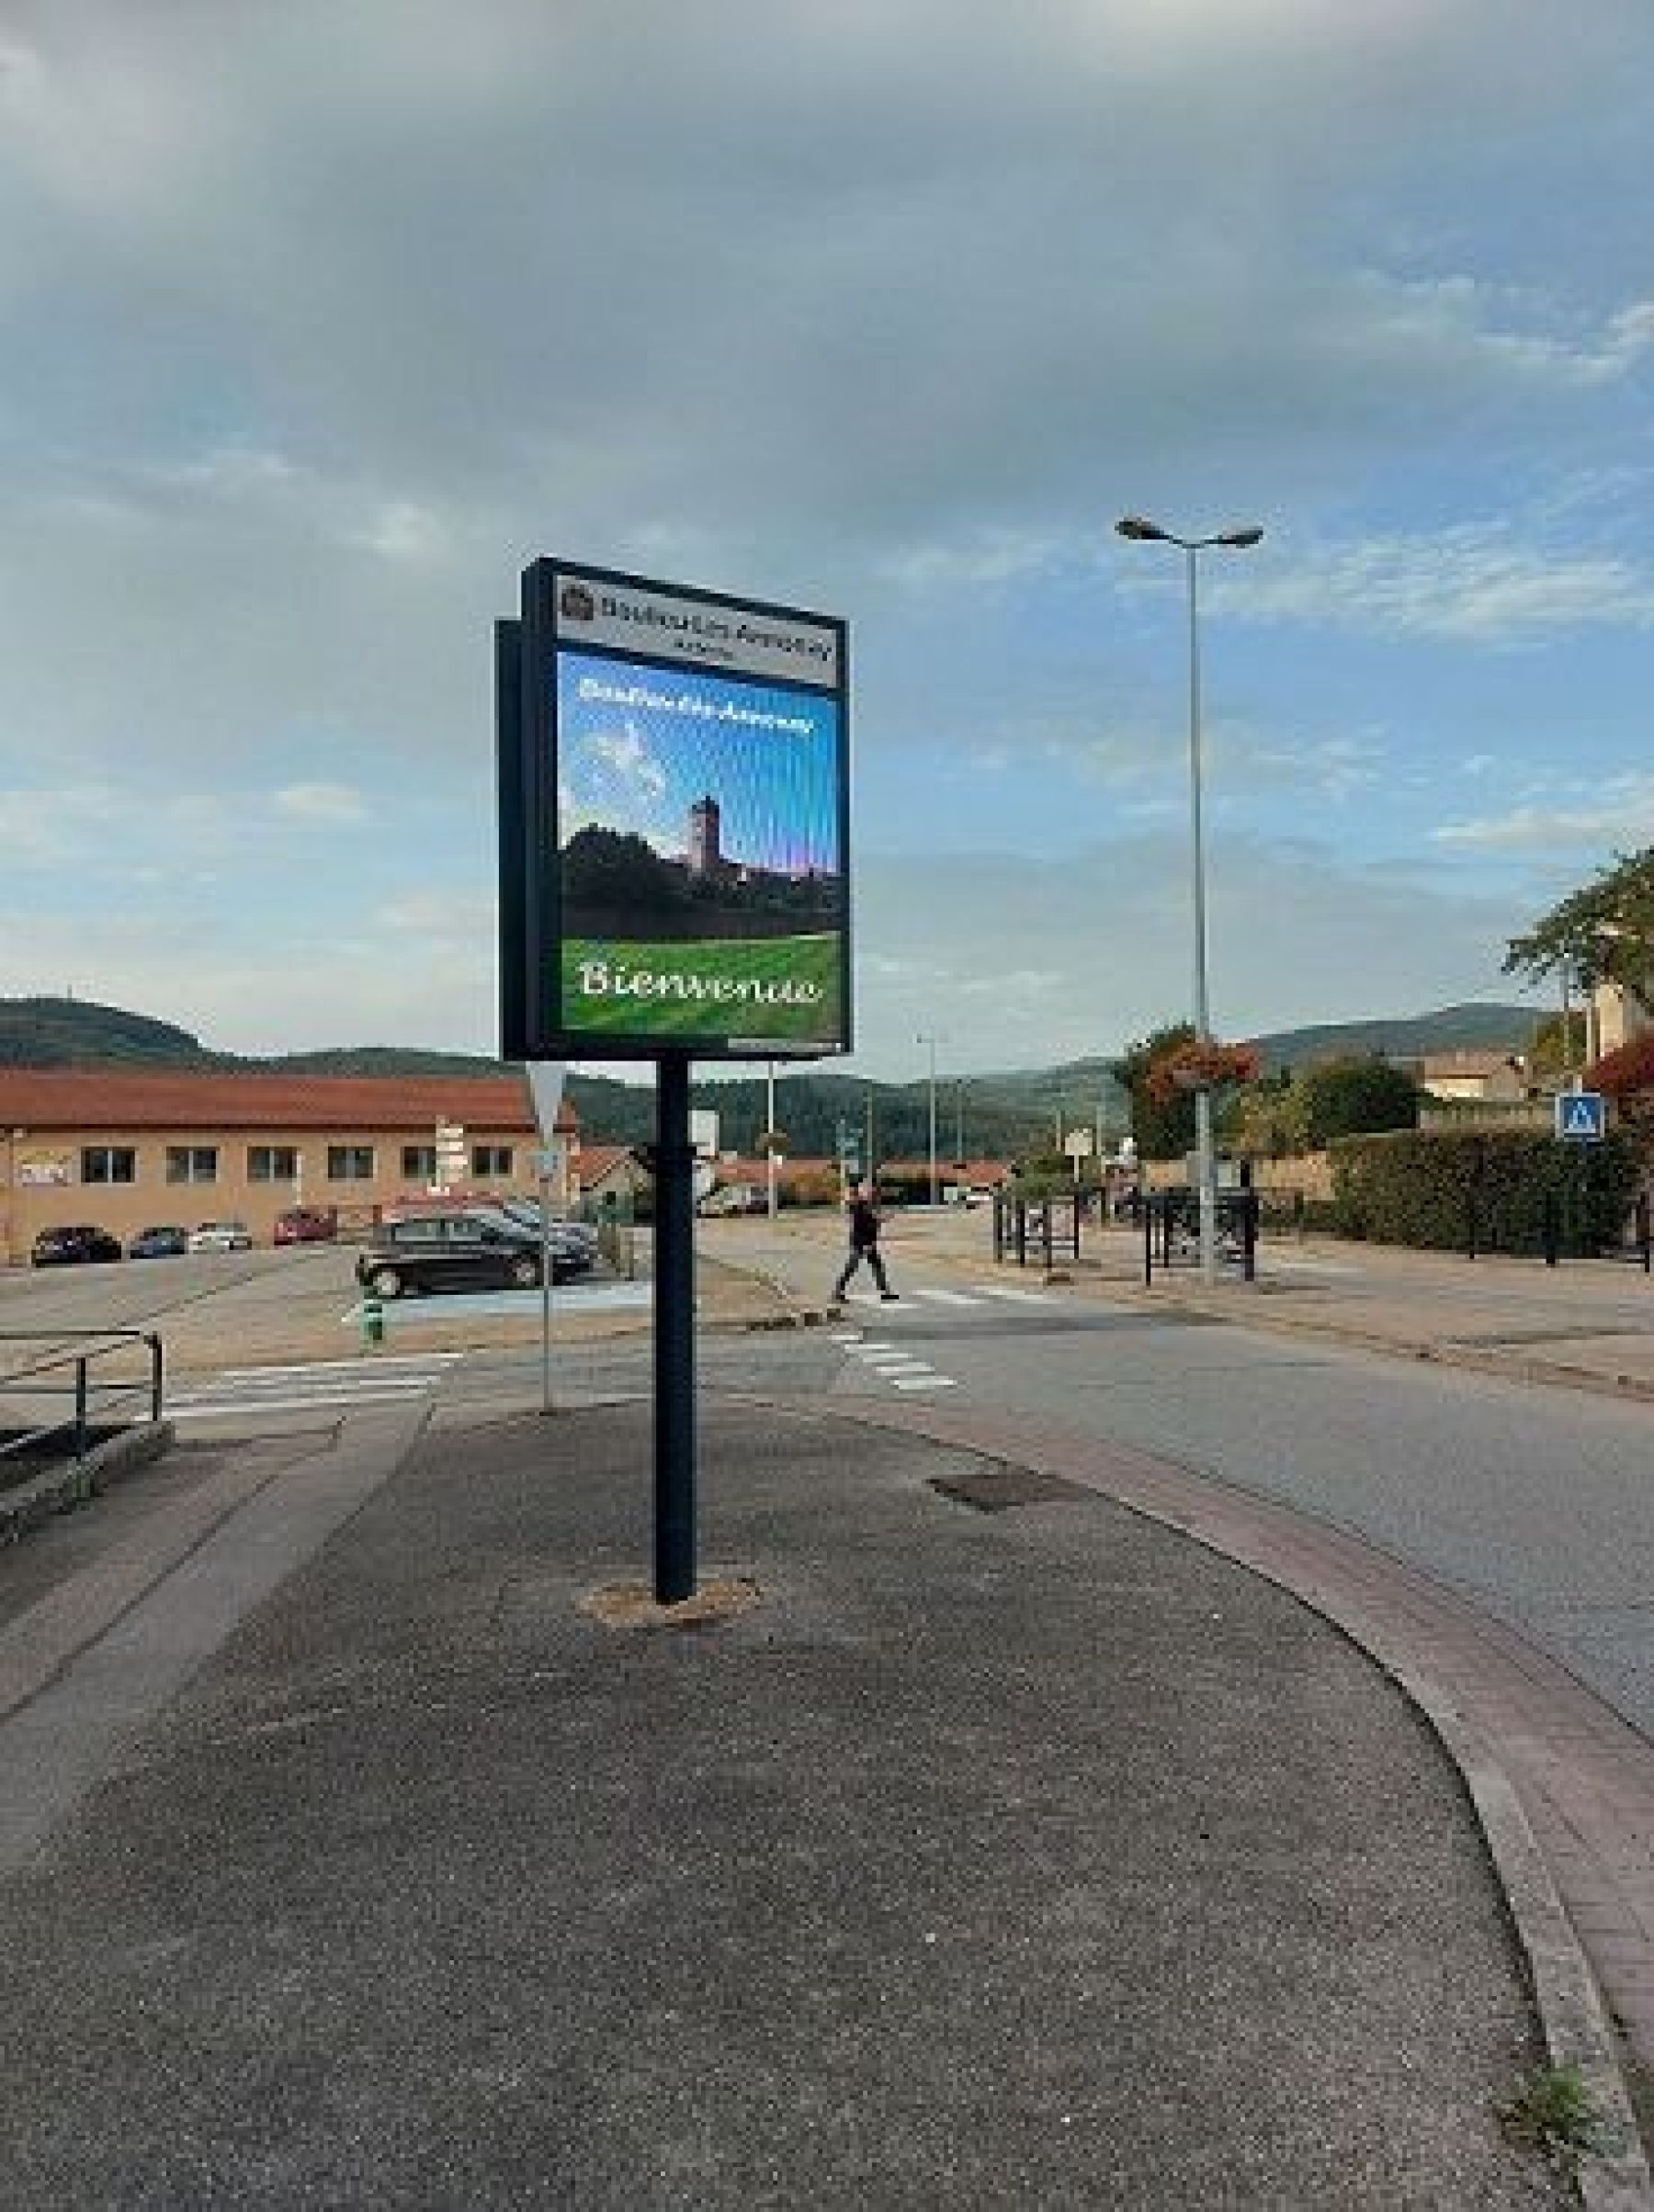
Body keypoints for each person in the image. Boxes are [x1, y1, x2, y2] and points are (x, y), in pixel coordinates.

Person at [832, 1180, 898, 1303]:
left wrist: (883, 1219)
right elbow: (862, 1224)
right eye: (867, 1190)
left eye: (870, 1189)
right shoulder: (858, 1205)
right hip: (861, 1242)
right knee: (852, 1267)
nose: (870, 1191)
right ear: (862, 1192)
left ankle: (885, 1292)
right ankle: (838, 1291)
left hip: (869, 1241)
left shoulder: (869, 1205)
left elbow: (873, 1220)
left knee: (877, 1265)